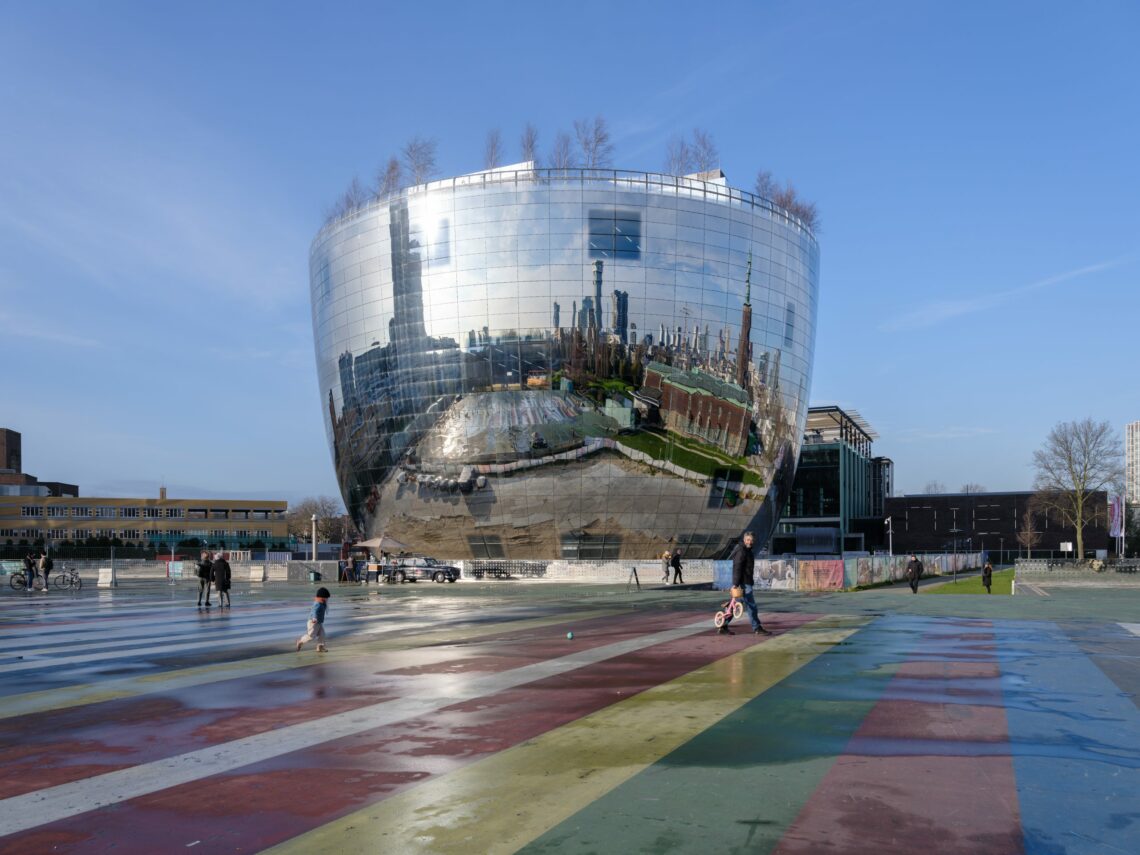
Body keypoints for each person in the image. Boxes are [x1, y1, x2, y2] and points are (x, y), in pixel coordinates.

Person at [730, 531, 771, 635]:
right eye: (748, 540)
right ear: (744, 540)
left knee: (735, 604)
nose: (750, 542)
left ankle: (723, 625)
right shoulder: (741, 551)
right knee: (751, 605)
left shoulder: (748, 551)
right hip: (743, 583)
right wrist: (735, 584)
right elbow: (737, 568)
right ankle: (757, 627)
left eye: (752, 540)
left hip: (745, 581)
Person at [296, 586, 331, 653]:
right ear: (321, 597)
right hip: (313, 622)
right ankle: (300, 641)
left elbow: (326, 607)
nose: (327, 599)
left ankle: (320, 647)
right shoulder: (317, 604)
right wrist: (314, 618)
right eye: (326, 598)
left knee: (322, 634)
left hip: (319, 622)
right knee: (311, 636)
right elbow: (314, 611)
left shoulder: (323, 603)